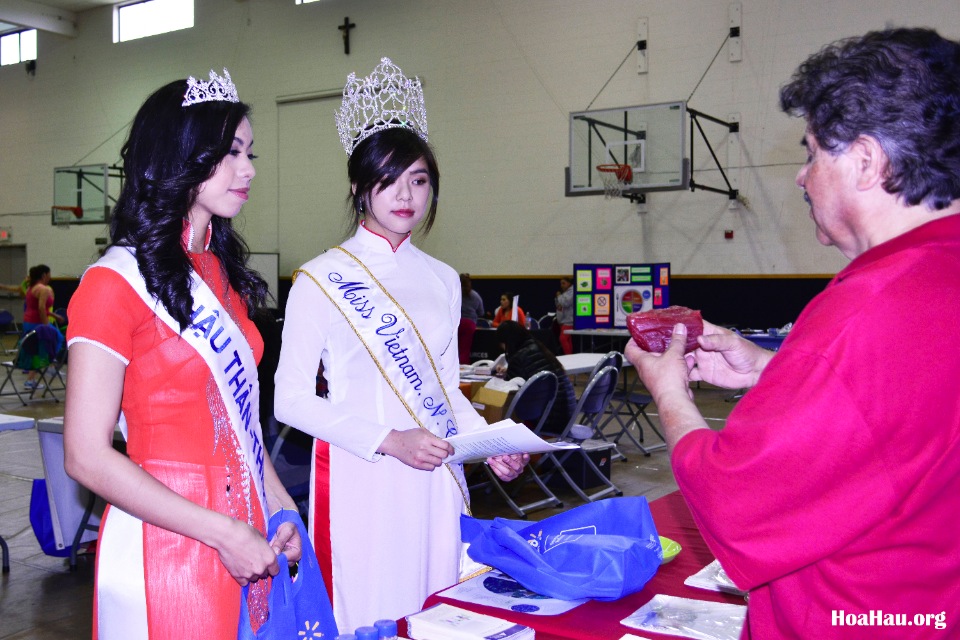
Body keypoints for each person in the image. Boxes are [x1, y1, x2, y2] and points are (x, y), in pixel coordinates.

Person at [626, 28, 960, 638]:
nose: (802, 178)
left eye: (811, 153)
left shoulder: (868, 310)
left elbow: (735, 509)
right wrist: (773, 371)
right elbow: (895, 423)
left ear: (865, 160)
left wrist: (669, 392)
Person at [274, 58, 527, 632]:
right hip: (363, 474)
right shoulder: (318, 279)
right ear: (360, 187)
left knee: (433, 613)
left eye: (418, 179)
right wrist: (389, 441)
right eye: (388, 180)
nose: (406, 195)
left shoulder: (442, 277)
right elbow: (289, 401)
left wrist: (488, 446)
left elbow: (445, 391)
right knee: (370, 612)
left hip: (435, 476)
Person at [63, 69, 302, 639]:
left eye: (250, 153)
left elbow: (238, 424)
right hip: (165, 537)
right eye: (229, 153)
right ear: (179, 157)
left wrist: (280, 504)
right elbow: (85, 456)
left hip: (243, 526)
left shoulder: (222, 276)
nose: (247, 169)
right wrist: (221, 531)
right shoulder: (112, 283)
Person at [495, 320, 575, 435]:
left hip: (547, 420)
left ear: (507, 341)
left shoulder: (518, 358)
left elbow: (508, 391)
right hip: (567, 414)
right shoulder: (538, 347)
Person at [19, 264, 65, 389]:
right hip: (37, 323)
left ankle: (48, 367)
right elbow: (40, 308)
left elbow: (40, 308)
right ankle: (41, 371)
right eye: (49, 274)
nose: (50, 277)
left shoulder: (31, 288)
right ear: (44, 275)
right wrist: (46, 326)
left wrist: (54, 316)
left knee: (38, 348)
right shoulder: (43, 289)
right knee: (52, 342)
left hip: (30, 321)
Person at [458, 273, 484, 364]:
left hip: (456, 322)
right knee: (465, 349)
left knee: (454, 349)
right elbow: (481, 312)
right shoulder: (475, 295)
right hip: (469, 324)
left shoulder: (454, 293)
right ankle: (463, 366)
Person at [554, 276, 574, 355]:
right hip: (562, 320)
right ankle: (570, 355)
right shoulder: (565, 293)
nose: (562, 285)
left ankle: (569, 357)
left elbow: (565, 303)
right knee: (568, 340)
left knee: (563, 339)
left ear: (569, 284)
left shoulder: (572, 292)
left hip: (569, 321)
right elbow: (558, 304)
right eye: (561, 283)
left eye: (564, 283)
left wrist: (559, 296)